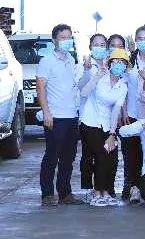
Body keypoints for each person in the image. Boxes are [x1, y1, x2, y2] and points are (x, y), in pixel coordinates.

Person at [37, 24, 84, 206]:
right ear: (54, 40)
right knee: (52, 156)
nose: (66, 41)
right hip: (55, 117)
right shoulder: (46, 61)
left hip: (71, 116)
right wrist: (46, 113)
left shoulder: (71, 60)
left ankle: (65, 193)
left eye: (69, 37)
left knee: (68, 158)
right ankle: (47, 194)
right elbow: (40, 88)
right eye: (62, 38)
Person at [78, 48, 130, 207]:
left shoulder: (122, 86)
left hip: (107, 124)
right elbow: (84, 93)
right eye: (116, 61)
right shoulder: (100, 77)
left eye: (122, 63)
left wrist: (112, 134)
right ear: (109, 63)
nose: (118, 65)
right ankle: (96, 192)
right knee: (101, 154)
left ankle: (106, 192)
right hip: (90, 122)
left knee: (111, 157)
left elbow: (116, 110)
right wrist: (97, 76)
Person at [121, 24, 145, 203]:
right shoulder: (130, 61)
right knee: (131, 154)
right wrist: (124, 111)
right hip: (132, 114)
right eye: (140, 39)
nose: (143, 42)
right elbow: (123, 88)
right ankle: (130, 186)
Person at [75, 33, 108, 199]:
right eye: (96, 44)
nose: (99, 47)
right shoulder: (83, 66)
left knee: (102, 155)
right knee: (89, 156)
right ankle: (90, 190)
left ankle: (101, 189)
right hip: (88, 118)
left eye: (103, 45)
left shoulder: (111, 65)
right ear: (90, 47)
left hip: (106, 119)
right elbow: (82, 90)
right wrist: (89, 71)